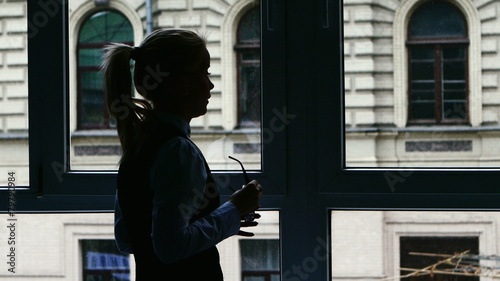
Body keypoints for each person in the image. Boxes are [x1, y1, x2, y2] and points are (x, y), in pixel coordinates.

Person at [102, 28, 263, 281]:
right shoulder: (178, 152)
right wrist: (234, 210)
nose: (210, 84)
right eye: (204, 72)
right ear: (182, 85)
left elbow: (127, 239)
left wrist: (222, 219)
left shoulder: (139, 145)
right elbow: (171, 247)